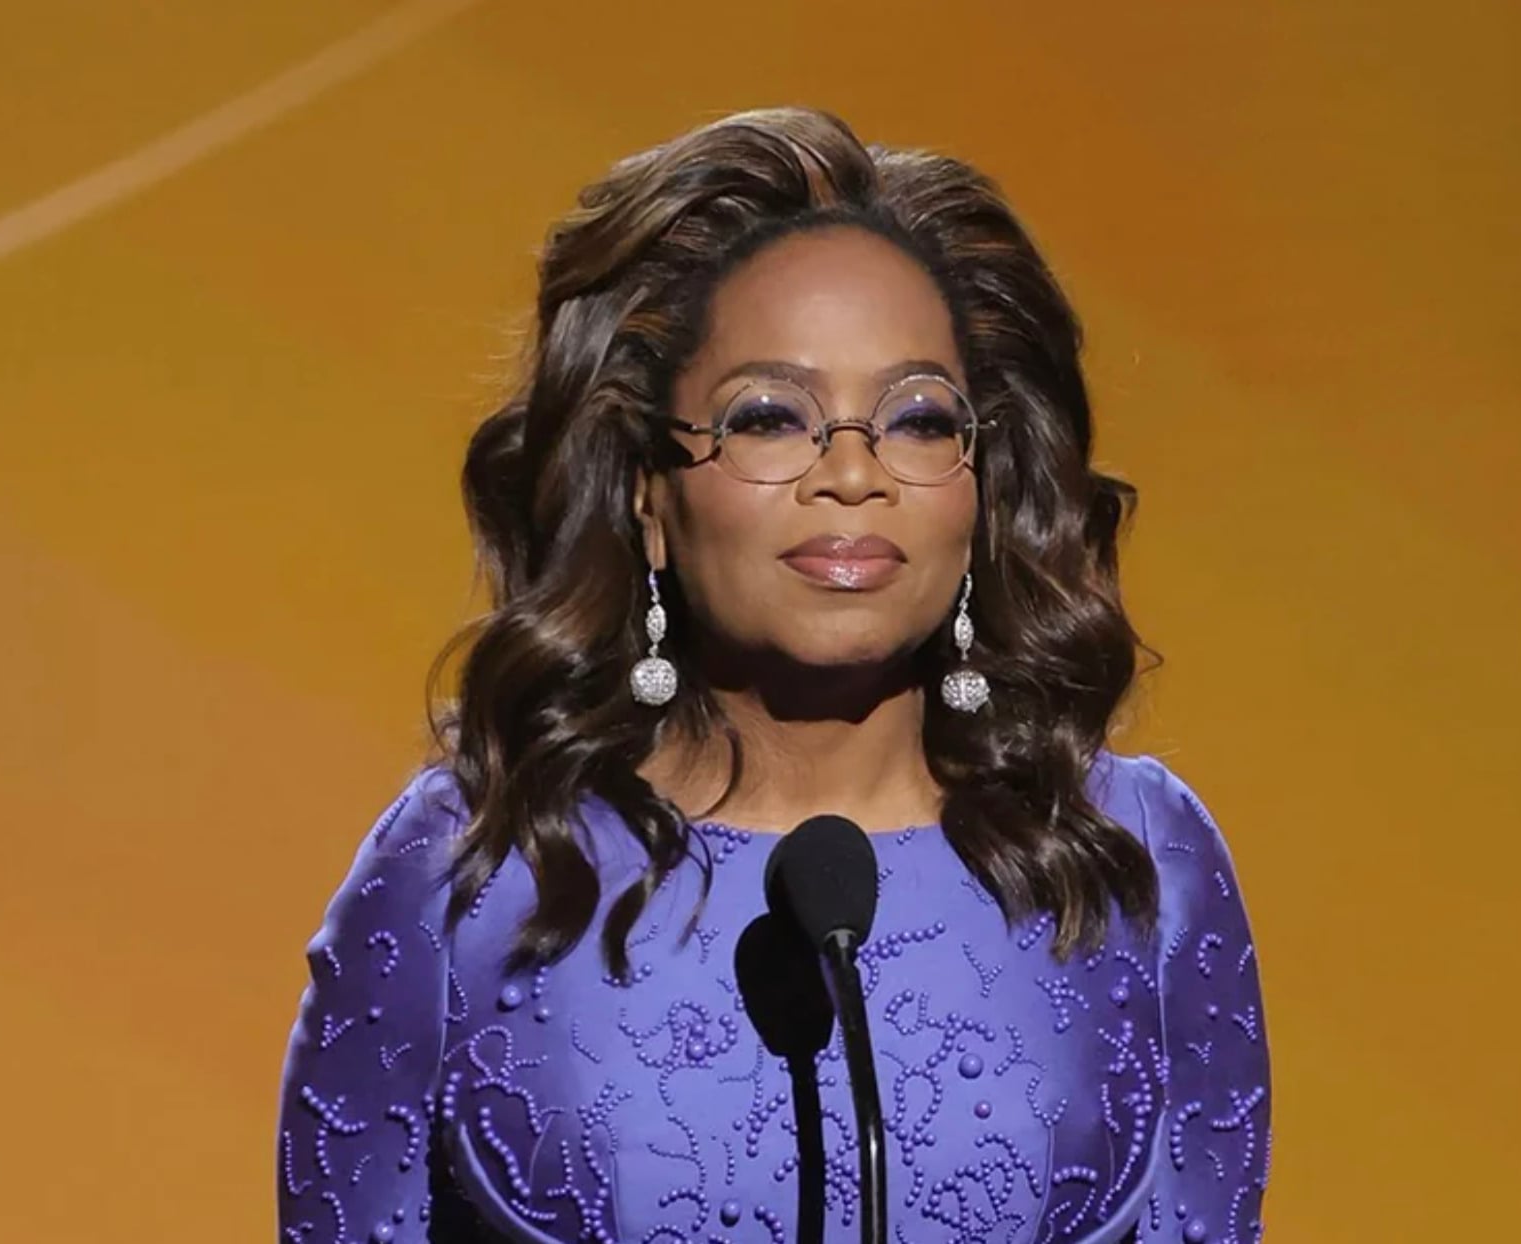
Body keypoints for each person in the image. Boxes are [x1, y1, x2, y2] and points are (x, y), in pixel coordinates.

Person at [275, 106, 1272, 1244]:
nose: (852, 471)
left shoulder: (1131, 855)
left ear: (983, 484)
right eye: (767, 417)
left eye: (917, 418)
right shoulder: (479, 860)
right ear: (648, 490)